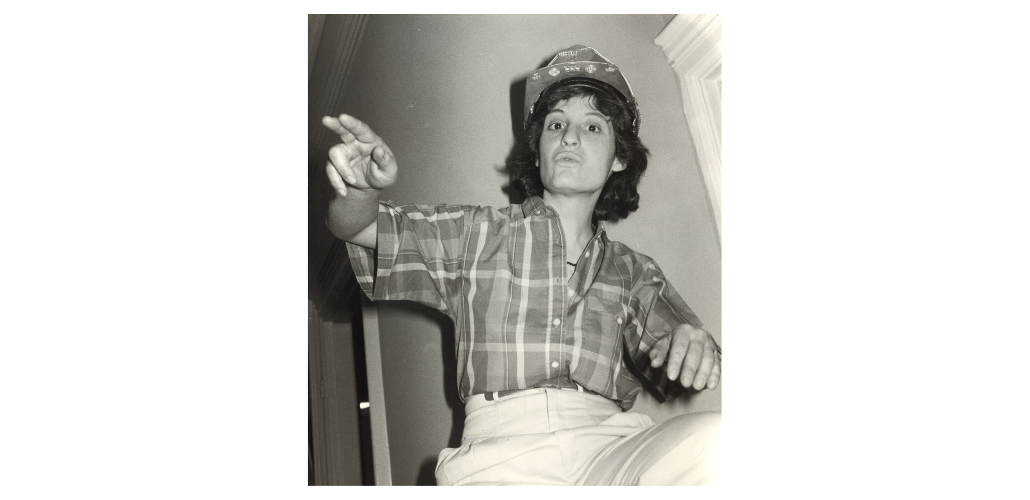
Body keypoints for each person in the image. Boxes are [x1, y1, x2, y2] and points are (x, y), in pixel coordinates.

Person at [323, 45, 721, 486]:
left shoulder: (635, 270)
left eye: (592, 126)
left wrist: (694, 345)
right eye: (556, 125)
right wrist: (359, 191)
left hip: (611, 447)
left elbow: (682, 345)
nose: (570, 137)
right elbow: (358, 227)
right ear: (537, 151)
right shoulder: (476, 233)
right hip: (499, 455)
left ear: (619, 158)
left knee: (720, 442)